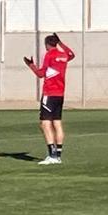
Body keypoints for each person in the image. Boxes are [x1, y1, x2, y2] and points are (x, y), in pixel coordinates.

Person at [24, 33, 75, 165]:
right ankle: (57, 155)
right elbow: (71, 54)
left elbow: (41, 74)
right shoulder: (63, 55)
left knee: (45, 124)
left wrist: (31, 65)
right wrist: (61, 43)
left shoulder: (49, 55)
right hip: (60, 94)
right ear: (57, 43)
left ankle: (52, 155)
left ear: (47, 45)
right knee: (57, 123)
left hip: (49, 93)